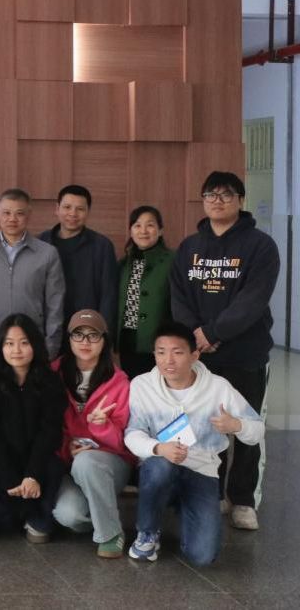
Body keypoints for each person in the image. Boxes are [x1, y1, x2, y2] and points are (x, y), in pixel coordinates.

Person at [169, 170, 279, 531]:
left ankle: (243, 500)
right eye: (210, 194)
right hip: (203, 357)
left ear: (240, 201)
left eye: (226, 194)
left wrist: (213, 332)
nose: (217, 200)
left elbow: (253, 299)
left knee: (247, 428)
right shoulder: (189, 247)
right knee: (203, 426)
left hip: (246, 355)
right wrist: (196, 336)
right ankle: (211, 492)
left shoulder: (261, 246)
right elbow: (179, 296)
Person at [125, 323, 265, 566]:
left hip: (201, 472)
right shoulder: (142, 385)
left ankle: (186, 506)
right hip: (160, 466)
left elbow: (257, 430)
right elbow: (132, 432)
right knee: (159, 467)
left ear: (194, 355)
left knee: (202, 556)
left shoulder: (218, 387)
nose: (168, 360)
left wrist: (236, 425)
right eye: (161, 352)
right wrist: (159, 448)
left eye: (177, 352)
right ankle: (147, 532)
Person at [0, 313, 67, 543]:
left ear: (35, 345)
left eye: (24, 343)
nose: (16, 350)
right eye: (9, 343)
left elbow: (50, 431)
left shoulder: (49, 380)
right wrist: (12, 479)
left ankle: (37, 519)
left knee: (52, 473)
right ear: (0, 346)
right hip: (3, 462)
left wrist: (32, 474)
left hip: (38, 460)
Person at [51, 309, 134, 558]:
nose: (85, 342)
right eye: (78, 335)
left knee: (86, 462)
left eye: (93, 335)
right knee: (69, 515)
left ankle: (111, 534)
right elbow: (45, 426)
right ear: (69, 339)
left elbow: (124, 442)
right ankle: (104, 512)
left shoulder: (119, 382)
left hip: (110, 462)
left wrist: (101, 426)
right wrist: (67, 447)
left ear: (104, 341)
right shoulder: (53, 374)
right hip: (68, 463)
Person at [0, 188, 66, 358]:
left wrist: (51, 346)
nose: (12, 219)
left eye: (19, 213)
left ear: (29, 215)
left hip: (33, 344)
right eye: (6, 213)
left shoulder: (47, 254)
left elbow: (55, 304)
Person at [39, 185, 119, 330]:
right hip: (48, 328)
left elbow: (109, 296)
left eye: (80, 209)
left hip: (87, 331)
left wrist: (103, 334)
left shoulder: (102, 246)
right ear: (57, 209)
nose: (73, 213)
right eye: (67, 207)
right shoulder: (40, 243)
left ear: (88, 212)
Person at [117, 205, 174, 379]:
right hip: (128, 342)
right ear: (131, 231)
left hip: (160, 343)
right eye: (137, 225)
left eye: (150, 225)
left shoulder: (173, 260)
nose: (143, 231)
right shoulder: (123, 264)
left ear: (160, 230)